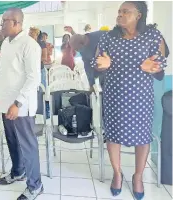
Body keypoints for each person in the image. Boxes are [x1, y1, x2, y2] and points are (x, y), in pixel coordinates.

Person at [92, 2, 167, 200]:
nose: (120, 14)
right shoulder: (108, 37)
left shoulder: (153, 36)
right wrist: (102, 65)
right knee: (113, 136)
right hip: (114, 97)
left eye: (125, 11)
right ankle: (117, 173)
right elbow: (96, 61)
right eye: (119, 11)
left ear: (139, 15)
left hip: (141, 97)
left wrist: (155, 66)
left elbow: (161, 60)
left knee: (142, 138)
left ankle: (138, 176)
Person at [0, 8, 43, 200]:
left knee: (27, 145)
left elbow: (33, 79)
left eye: (4, 21)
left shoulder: (30, 45)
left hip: (21, 106)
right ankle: (18, 171)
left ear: (16, 23)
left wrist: (17, 103)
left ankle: (35, 184)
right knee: (11, 141)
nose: (1, 25)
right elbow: (2, 73)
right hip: (5, 103)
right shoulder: (5, 44)